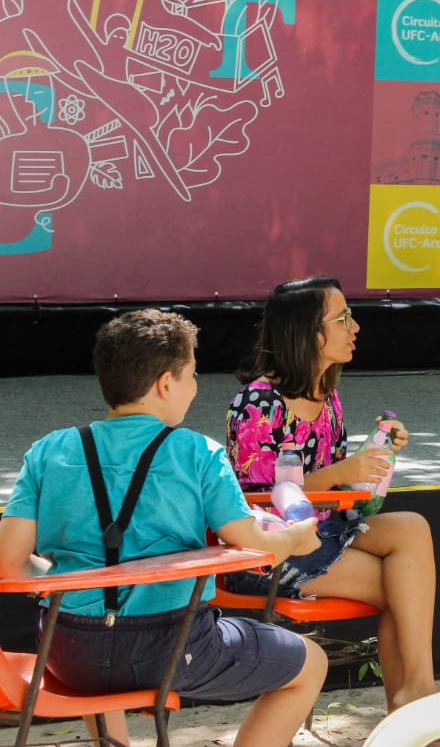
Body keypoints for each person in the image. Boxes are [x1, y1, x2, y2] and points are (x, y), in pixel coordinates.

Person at [0, 310, 327, 747]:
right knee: (311, 663)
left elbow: (9, 564)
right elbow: (255, 545)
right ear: (166, 383)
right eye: (192, 374)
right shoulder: (199, 452)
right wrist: (296, 537)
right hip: (173, 650)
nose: (195, 387)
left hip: (67, 653)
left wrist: (76, 579)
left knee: (95, 662)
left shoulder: (47, 451)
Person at [225, 276, 438, 712]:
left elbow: (337, 489)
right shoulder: (256, 404)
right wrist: (344, 471)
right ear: (307, 332)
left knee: (412, 527)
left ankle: (417, 692)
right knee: (404, 591)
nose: (355, 327)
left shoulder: (329, 397)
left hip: (324, 533)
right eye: (343, 318)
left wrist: (376, 454)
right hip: (271, 551)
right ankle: (415, 705)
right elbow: (257, 499)